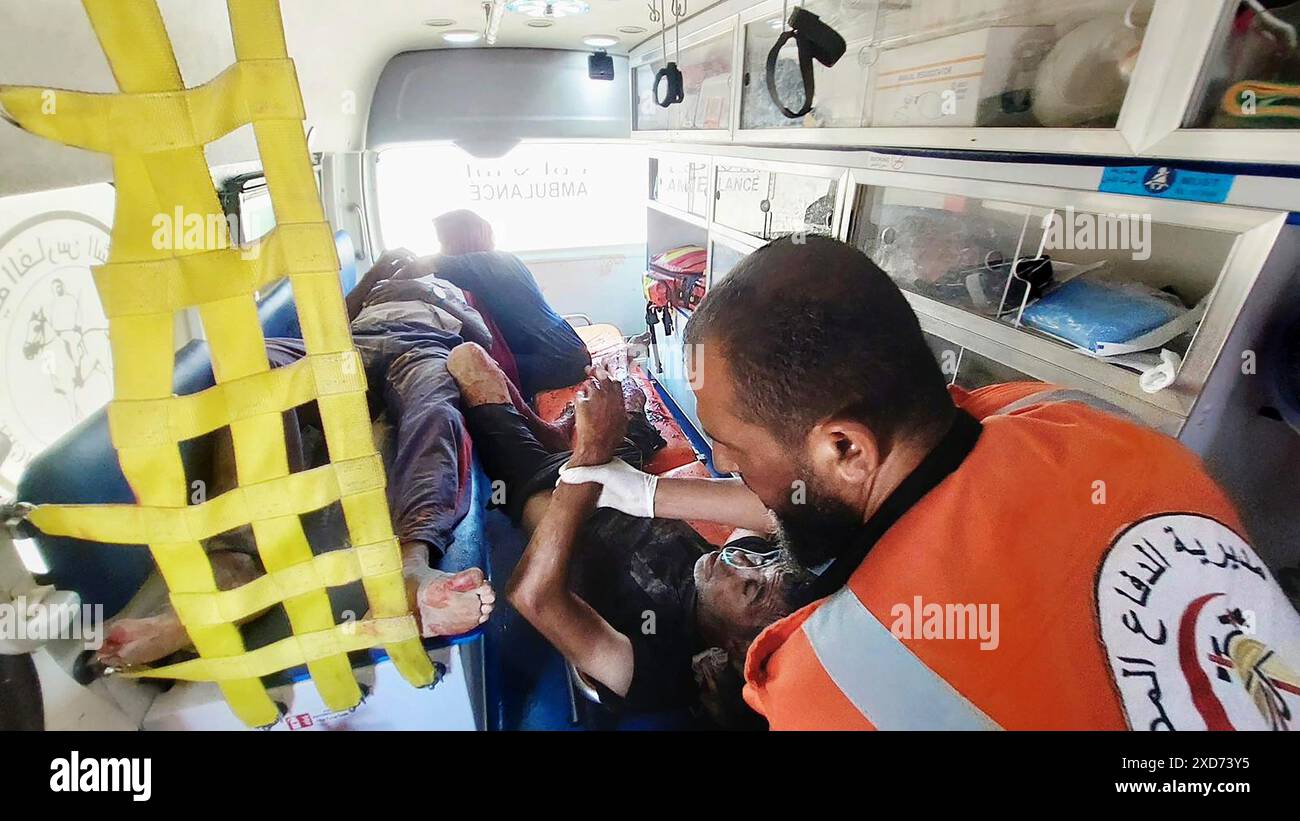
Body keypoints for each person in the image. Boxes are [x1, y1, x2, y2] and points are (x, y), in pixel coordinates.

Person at [564, 235, 1300, 731]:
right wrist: (649, 492)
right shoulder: (1070, 420)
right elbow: (812, 503)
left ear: (845, 447)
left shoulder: (831, 682)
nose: (725, 467)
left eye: (732, 449)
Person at [96, 251, 498, 669]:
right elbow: (328, 323)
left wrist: (442, 296)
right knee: (257, 363)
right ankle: (233, 564)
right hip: (348, 347)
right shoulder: (378, 285)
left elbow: (480, 343)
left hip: (422, 349)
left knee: (434, 410)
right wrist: (379, 275)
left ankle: (410, 568)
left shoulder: (457, 293)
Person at [445, 342, 813, 727]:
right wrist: (642, 489)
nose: (737, 559)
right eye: (762, 557)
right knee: (626, 391)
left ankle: (568, 435)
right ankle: (571, 431)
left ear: (737, 650)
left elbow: (532, 596)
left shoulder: (660, 669)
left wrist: (587, 457)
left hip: (548, 488)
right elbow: (783, 508)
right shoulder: (743, 573)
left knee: (467, 358)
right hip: (614, 472)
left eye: (749, 588)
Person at [389, 209, 592, 398]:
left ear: (463, 239)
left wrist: (384, 282)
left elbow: (427, 264)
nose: (443, 250)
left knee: (467, 375)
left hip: (559, 357)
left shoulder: (489, 263)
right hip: (561, 347)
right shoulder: (496, 264)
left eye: (445, 242)